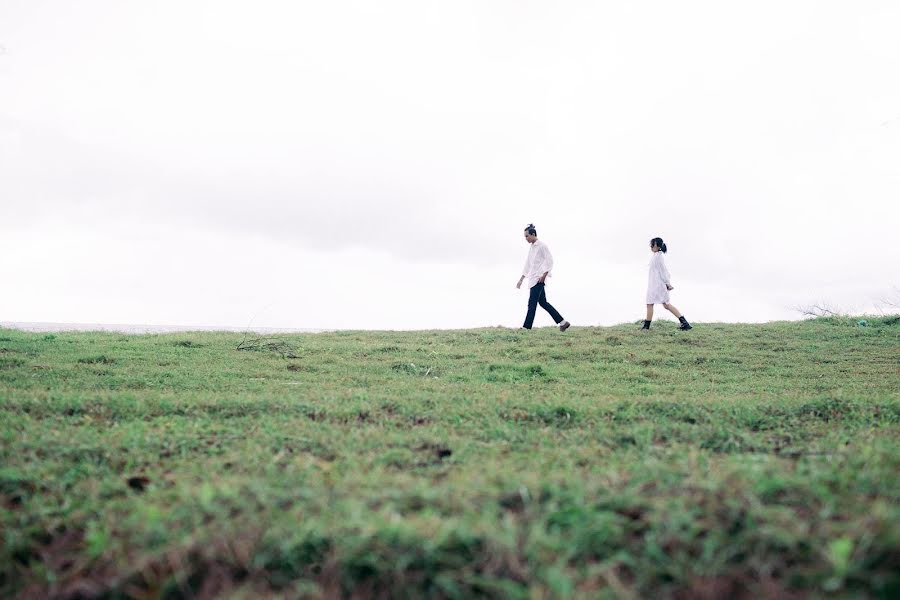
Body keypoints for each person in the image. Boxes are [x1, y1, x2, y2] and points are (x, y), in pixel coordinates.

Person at [517, 224, 571, 331]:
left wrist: (544, 275)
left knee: (532, 303)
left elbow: (550, 261)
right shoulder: (532, 248)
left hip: (538, 279)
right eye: (525, 236)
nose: (526, 238)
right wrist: (521, 279)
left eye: (527, 236)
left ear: (533, 234)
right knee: (543, 303)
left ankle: (526, 327)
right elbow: (528, 264)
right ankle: (563, 322)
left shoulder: (542, 246)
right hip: (533, 279)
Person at [643, 237, 692, 331]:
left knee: (651, 303)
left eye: (652, 244)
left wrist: (667, 283)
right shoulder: (657, 255)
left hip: (657, 285)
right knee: (665, 305)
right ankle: (685, 323)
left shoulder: (658, 256)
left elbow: (663, 271)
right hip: (656, 284)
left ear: (657, 245)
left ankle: (646, 327)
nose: (651, 246)